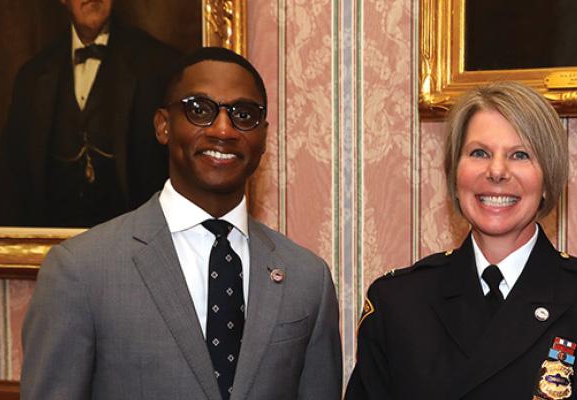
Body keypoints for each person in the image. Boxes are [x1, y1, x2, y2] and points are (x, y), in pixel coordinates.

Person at [21, 47, 342, 400]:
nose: (224, 129)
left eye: (244, 115)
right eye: (200, 110)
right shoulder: (80, 271)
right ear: (163, 125)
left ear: (263, 136)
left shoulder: (307, 278)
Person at [346, 82, 577, 400]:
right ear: (455, 176)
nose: (496, 171)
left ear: (548, 181)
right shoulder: (397, 304)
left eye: (520, 155)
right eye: (479, 153)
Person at [0, 0, 178, 228]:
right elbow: (11, 181)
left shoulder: (160, 65)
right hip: (53, 244)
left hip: (130, 243)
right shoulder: (33, 76)